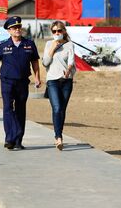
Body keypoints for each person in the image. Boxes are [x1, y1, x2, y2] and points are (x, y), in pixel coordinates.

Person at [0, 16, 41, 150]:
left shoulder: (29, 44)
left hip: (23, 82)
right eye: (14, 28)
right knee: (8, 108)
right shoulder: (3, 45)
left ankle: (18, 140)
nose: (17, 30)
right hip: (7, 82)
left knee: (20, 110)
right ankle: (9, 138)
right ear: (9, 30)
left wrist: (37, 77)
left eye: (19, 27)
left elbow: (35, 62)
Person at [42, 20, 76, 151]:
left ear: (64, 32)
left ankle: (59, 133)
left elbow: (71, 61)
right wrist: (52, 48)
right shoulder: (48, 44)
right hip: (52, 80)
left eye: (59, 31)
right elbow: (45, 63)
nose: (57, 33)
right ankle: (58, 137)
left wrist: (68, 69)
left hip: (66, 80)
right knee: (56, 108)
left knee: (62, 109)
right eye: (54, 31)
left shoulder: (69, 45)